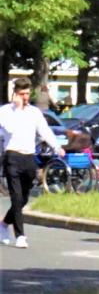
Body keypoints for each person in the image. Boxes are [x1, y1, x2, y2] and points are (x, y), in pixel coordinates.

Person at [2, 78, 64, 249]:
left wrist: (57, 146)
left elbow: (44, 130)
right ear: (15, 94)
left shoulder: (34, 112)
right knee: (16, 197)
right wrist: (17, 108)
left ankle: (3, 224)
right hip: (12, 155)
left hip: (29, 157)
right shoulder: (6, 112)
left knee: (24, 198)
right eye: (22, 94)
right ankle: (20, 235)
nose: (25, 97)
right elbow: (10, 129)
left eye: (27, 94)